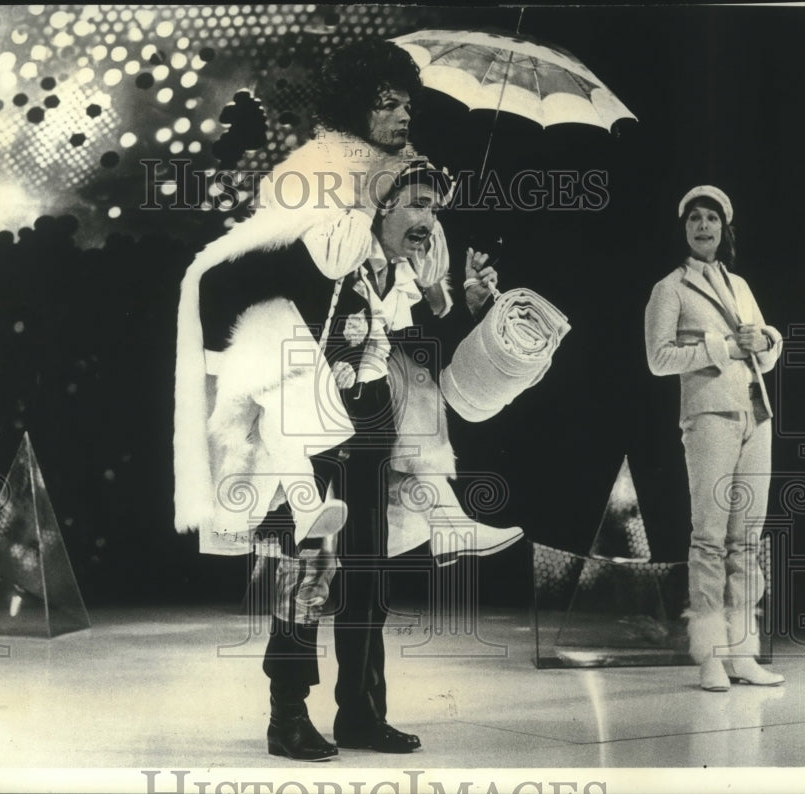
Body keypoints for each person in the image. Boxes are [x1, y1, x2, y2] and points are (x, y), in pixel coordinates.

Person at [174, 40, 519, 762]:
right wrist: (357, 240)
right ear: (352, 104)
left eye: (405, 101)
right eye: (385, 100)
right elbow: (266, 272)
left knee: (368, 562)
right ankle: (287, 713)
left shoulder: (411, 180)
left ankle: (362, 710)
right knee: (308, 559)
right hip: (308, 399)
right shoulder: (312, 174)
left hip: (374, 403)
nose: (400, 113)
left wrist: (463, 296)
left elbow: (425, 313)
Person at [644, 185, 785, 692]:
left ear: (725, 229)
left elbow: (763, 345)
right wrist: (722, 345)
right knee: (708, 537)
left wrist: (764, 341)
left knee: (746, 539)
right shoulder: (671, 288)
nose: (703, 226)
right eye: (694, 219)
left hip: (756, 413)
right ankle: (708, 655)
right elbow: (658, 359)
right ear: (684, 228)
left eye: (712, 219)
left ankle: (742, 652)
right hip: (708, 417)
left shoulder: (740, 284)